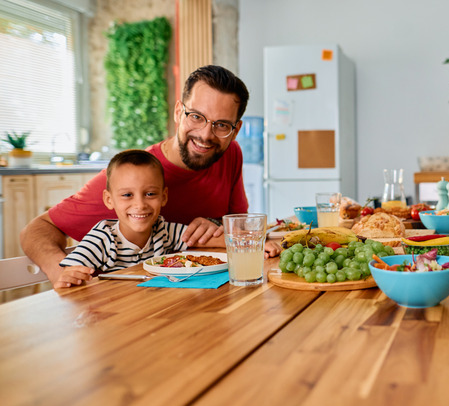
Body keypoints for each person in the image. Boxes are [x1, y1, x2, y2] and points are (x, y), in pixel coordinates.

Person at [21, 65, 281, 285]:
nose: (205, 134)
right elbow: (37, 229)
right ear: (179, 112)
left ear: (235, 131)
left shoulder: (230, 152)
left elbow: (241, 227)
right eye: (196, 116)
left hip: (203, 299)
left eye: (221, 125)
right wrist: (60, 271)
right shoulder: (134, 177)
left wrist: (216, 225)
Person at [55, 150, 227, 288]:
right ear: (109, 200)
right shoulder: (103, 238)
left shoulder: (165, 230)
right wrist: (71, 276)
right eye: (127, 195)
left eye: (150, 194)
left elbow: (227, 241)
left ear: (164, 196)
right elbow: (70, 273)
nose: (140, 204)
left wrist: (223, 229)